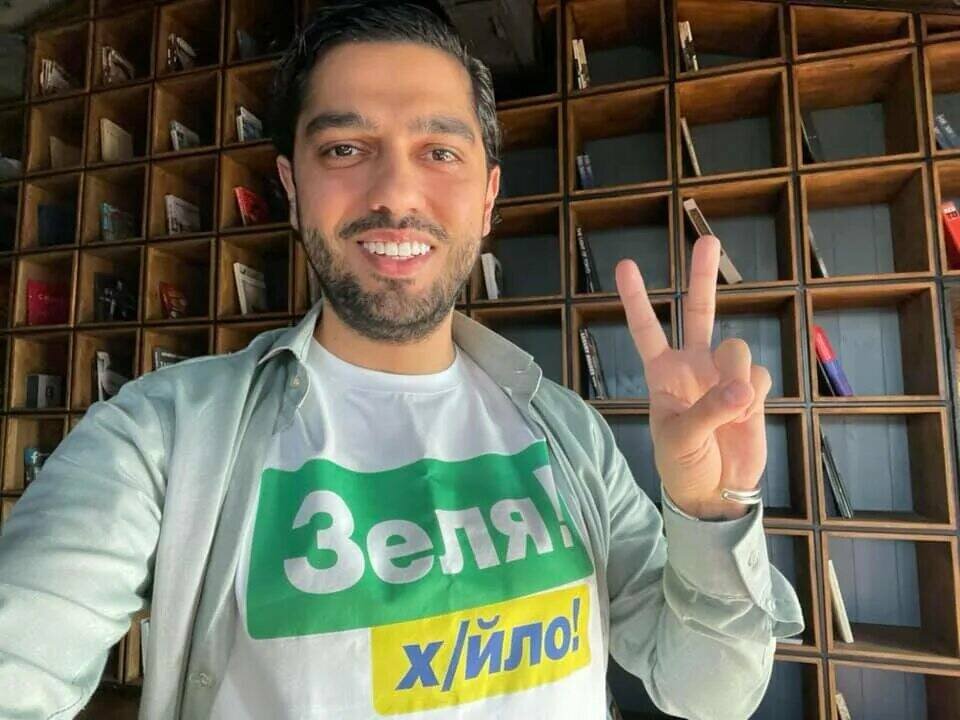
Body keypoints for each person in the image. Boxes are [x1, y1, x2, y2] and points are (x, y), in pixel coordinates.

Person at [0, 2, 803, 718]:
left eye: (440, 151)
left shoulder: (570, 434)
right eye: (345, 148)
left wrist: (711, 514)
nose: (396, 193)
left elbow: (708, 693)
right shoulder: (160, 436)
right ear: (291, 185)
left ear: (488, 198)